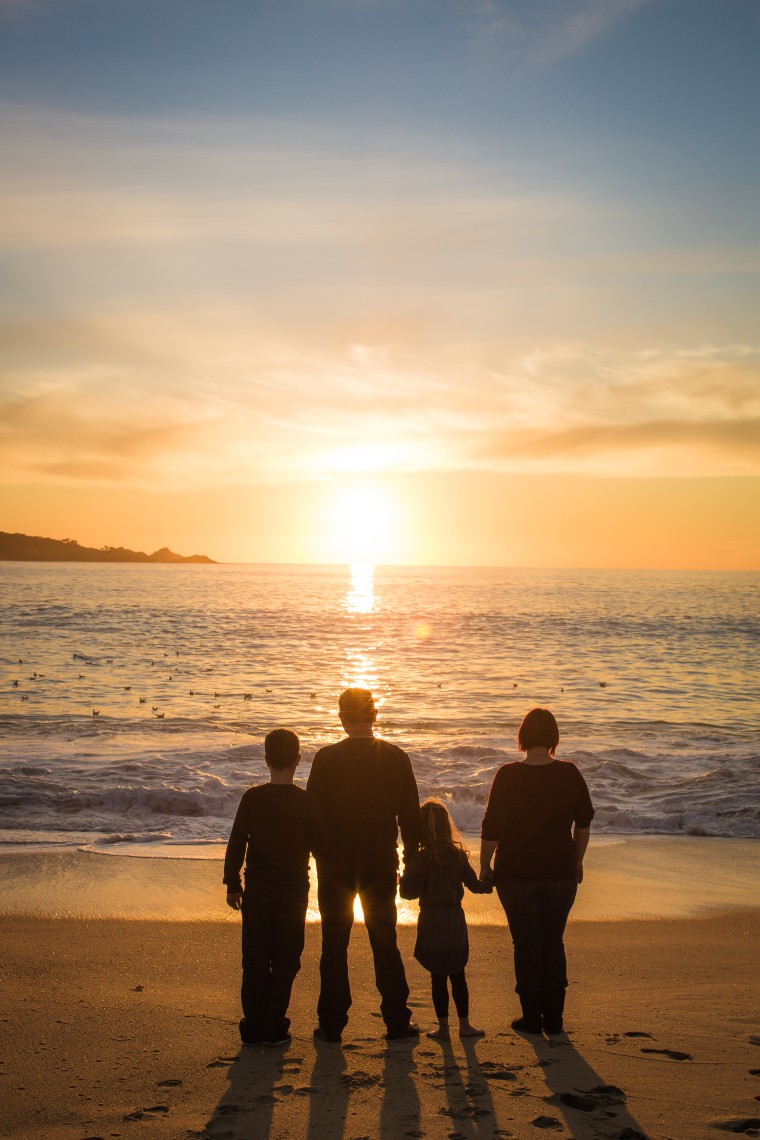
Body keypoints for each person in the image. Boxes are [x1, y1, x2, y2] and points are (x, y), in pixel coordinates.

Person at [306, 687, 421, 1042]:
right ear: (374, 717)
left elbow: (313, 815)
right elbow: (411, 817)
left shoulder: (325, 758)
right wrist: (411, 859)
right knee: (385, 941)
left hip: (335, 863)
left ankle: (332, 1024)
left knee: (334, 944)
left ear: (342, 718)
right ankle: (397, 1021)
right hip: (379, 860)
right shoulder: (395, 756)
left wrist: (319, 853)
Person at [480, 708, 594, 1036]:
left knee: (526, 943)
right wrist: (577, 859)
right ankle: (555, 1020)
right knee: (553, 941)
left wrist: (485, 866)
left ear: (523, 737)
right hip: (560, 871)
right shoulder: (569, 773)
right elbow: (583, 822)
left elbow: (492, 827)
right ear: (554, 738)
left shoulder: (508, 775)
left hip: (515, 874)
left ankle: (531, 1018)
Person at [224, 728, 331, 1047]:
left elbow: (236, 842)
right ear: (298, 760)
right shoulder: (307, 801)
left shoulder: (253, 798)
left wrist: (233, 883)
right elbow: (322, 847)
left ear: (266, 759)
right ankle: (274, 1022)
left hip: (257, 888)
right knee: (286, 958)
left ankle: (254, 1023)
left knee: (255, 957)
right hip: (294, 890)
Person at [400, 799, 492, 1041]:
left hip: (431, 919)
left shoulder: (420, 858)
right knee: (458, 974)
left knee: (437, 977)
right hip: (454, 919)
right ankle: (465, 1025)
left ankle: (443, 1027)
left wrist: (401, 878)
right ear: (446, 826)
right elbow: (476, 887)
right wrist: (492, 878)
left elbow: (409, 893)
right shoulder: (457, 856)